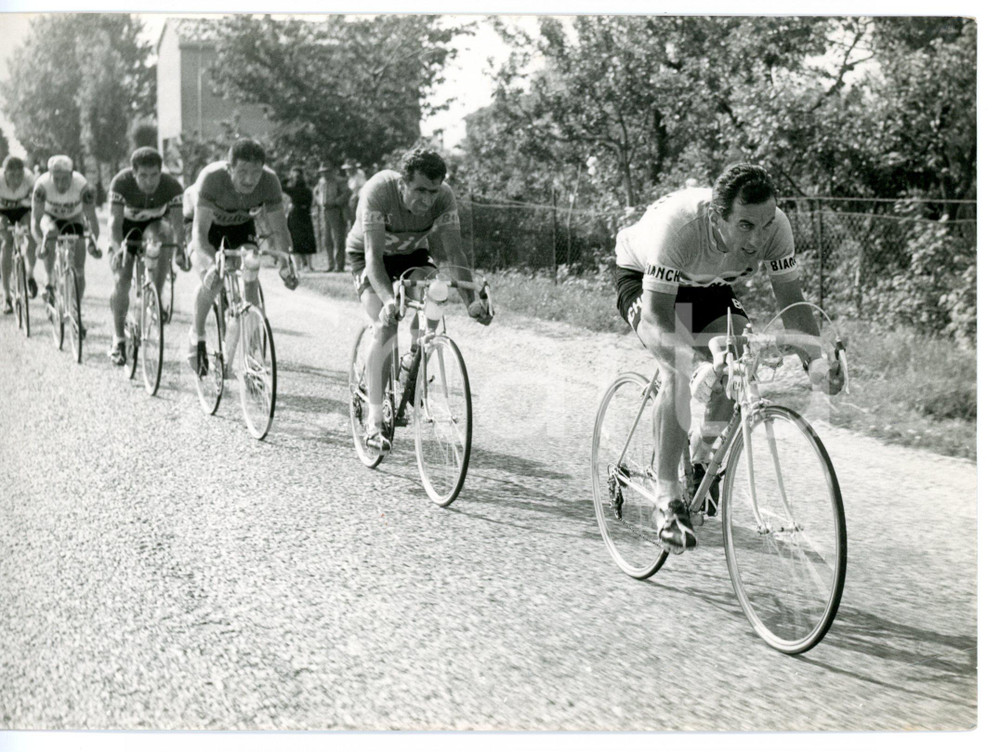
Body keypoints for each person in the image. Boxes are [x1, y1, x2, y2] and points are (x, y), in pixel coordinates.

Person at [612, 163, 842, 554]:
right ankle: (667, 501)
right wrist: (695, 360)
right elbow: (658, 317)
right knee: (679, 372)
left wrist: (816, 363)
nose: (759, 237)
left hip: (710, 285)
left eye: (766, 223)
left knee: (739, 358)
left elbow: (793, 304)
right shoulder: (682, 227)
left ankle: (702, 458)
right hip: (647, 280)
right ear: (718, 217)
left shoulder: (776, 228)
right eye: (746, 226)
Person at [348, 147, 493, 452]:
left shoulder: (444, 197)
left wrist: (471, 302)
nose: (427, 200)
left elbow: (455, 254)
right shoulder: (378, 191)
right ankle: (374, 422)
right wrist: (389, 302)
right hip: (369, 258)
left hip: (411, 253)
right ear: (402, 183)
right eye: (419, 191)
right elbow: (374, 259)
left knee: (437, 287)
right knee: (385, 326)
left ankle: (416, 352)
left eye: (433, 191)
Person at [187, 138, 297, 375]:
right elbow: (199, 233)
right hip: (206, 227)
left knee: (251, 267)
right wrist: (211, 263)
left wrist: (286, 264)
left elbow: (280, 229)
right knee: (214, 279)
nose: (249, 179)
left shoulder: (269, 182)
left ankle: (252, 355)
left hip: (240, 224)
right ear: (229, 169)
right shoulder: (212, 178)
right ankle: (197, 337)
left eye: (255, 172)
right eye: (242, 172)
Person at [106, 147, 186, 366]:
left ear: (161, 173)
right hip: (125, 229)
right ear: (133, 173)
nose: (150, 182)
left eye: (154, 176)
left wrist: (180, 250)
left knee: (165, 234)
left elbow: (178, 225)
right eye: (143, 176)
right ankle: (118, 340)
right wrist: (118, 247)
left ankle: (155, 296)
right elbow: (114, 223)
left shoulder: (171, 186)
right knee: (122, 280)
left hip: (153, 227)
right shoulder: (121, 183)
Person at [31, 155, 102, 334]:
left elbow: (92, 219)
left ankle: (76, 311)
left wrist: (93, 242)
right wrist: (41, 244)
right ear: (50, 176)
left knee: (79, 268)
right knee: (51, 233)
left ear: (72, 175)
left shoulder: (82, 186)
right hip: (50, 218)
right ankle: (49, 279)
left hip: (74, 218)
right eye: (57, 179)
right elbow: (35, 220)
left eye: (65, 179)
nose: (61, 184)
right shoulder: (41, 186)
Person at [0, 156, 38, 314]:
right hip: (2, 211)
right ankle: (6, 295)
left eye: (19, 175)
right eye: (12, 175)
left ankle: (29, 274)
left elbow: (38, 204)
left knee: (32, 235)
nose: (17, 179)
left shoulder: (30, 179)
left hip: (23, 211)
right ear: (5, 173)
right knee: (7, 242)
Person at [313, 162, 350, 272]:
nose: (325, 174)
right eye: (323, 172)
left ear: (332, 171)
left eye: (327, 171)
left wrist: (336, 202)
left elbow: (347, 193)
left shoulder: (340, 181)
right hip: (325, 212)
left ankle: (339, 265)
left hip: (336, 211)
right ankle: (330, 264)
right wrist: (319, 201)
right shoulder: (321, 182)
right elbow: (316, 192)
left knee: (338, 238)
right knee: (327, 239)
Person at [283, 166, 318, 272]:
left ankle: (301, 266)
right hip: (304, 215)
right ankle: (307, 265)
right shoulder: (307, 190)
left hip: (297, 215)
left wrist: (289, 178)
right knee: (304, 239)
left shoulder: (294, 190)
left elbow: (281, 185)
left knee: (298, 239)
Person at [344, 160, 367, 227]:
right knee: (351, 222)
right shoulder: (351, 178)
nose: (347, 171)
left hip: (357, 201)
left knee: (357, 222)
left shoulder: (359, 175)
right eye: (347, 169)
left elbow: (363, 187)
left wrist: (355, 195)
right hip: (351, 202)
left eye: (349, 169)